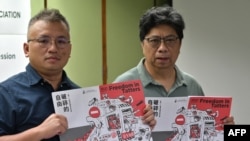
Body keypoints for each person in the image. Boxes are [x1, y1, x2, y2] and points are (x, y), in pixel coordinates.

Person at [0, 9, 156, 141]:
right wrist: (40, 132)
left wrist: (140, 122)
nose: (53, 48)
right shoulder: (6, 93)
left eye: (61, 41)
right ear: (27, 49)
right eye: (44, 40)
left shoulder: (82, 96)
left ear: (70, 49)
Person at [113, 5, 235, 140]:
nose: (162, 48)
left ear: (180, 44)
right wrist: (135, 125)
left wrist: (226, 132)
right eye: (154, 41)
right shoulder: (123, 85)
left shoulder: (192, 85)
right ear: (142, 44)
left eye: (170, 40)